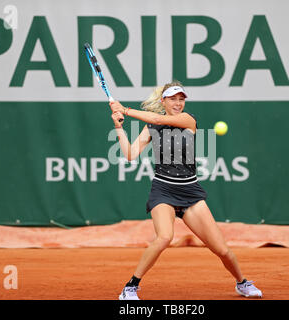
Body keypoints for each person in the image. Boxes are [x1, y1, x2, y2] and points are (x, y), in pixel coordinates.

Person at [109, 81, 262, 300]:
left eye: (181, 99)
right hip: (163, 190)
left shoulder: (187, 120)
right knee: (164, 237)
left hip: (190, 192)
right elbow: (130, 154)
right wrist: (118, 127)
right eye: (173, 99)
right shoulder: (151, 127)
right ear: (163, 101)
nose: (178, 103)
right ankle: (131, 287)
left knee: (222, 250)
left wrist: (125, 110)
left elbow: (159, 118)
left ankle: (242, 283)